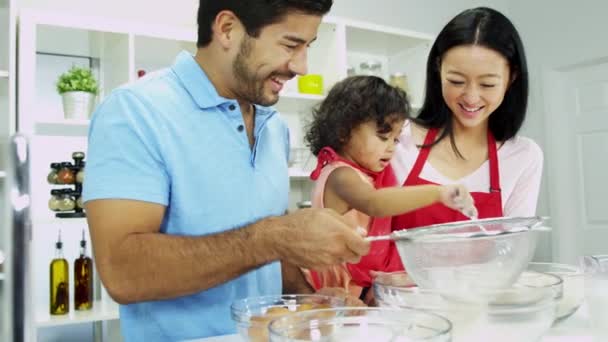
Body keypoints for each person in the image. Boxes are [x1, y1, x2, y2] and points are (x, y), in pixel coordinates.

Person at [82, 1, 371, 340]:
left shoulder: (273, 127)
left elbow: (272, 253)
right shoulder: (135, 111)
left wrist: (309, 299)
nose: (302, 66)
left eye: (308, 47)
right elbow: (123, 272)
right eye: (291, 45)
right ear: (227, 29)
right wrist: (273, 236)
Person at [389, 7, 543, 270]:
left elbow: (512, 257)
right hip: (402, 306)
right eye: (457, 81)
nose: (471, 98)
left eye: (487, 85)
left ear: (512, 78)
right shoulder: (395, 139)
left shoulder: (524, 156)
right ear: (438, 70)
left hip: (480, 305)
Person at [300, 75, 476, 303]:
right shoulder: (340, 175)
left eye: (395, 140)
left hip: (358, 288)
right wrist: (438, 193)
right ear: (343, 131)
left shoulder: (366, 174)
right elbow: (374, 203)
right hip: (336, 292)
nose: (391, 148)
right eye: (383, 137)